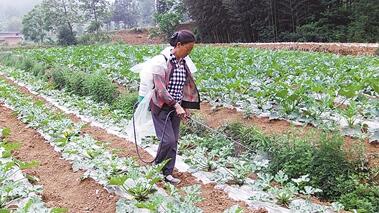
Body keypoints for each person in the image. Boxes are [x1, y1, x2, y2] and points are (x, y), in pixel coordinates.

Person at [148, 30, 200, 184]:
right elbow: (161, 90)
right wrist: (176, 105)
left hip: (176, 107)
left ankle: (168, 173)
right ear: (178, 45)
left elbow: (184, 87)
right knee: (167, 141)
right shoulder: (160, 62)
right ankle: (157, 168)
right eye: (188, 49)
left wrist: (185, 107)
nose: (188, 53)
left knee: (174, 142)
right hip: (161, 107)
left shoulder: (183, 64)